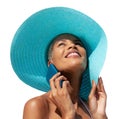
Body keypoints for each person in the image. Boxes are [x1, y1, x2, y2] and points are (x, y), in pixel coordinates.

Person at [10, 7, 108, 119]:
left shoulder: (91, 109)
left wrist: (100, 115)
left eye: (78, 43)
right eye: (62, 44)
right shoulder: (38, 105)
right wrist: (68, 114)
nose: (72, 46)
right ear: (50, 63)